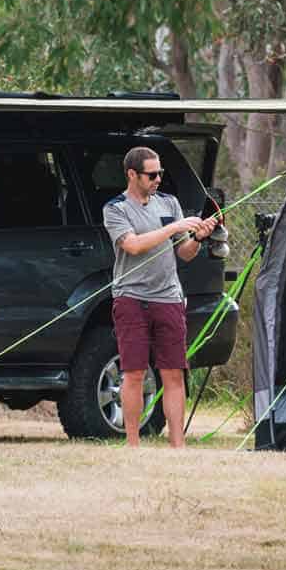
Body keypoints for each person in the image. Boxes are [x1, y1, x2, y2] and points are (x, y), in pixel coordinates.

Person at [102, 146, 217, 447]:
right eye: (151, 175)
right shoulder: (115, 209)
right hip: (131, 299)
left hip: (169, 298)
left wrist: (197, 237)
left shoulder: (169, 203)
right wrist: (176, 227)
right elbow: (134, 246)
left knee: (173, 374)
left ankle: (178, 445)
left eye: (160, 174)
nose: (158, 180)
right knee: (134, 373)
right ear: (132, 175)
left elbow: (185, 253)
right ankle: (133, 444)